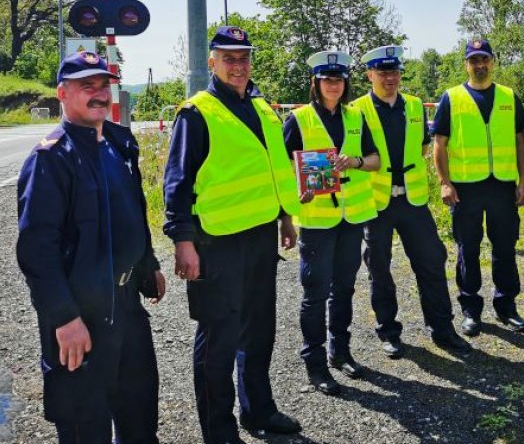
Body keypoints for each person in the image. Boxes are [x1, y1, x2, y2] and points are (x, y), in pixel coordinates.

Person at [16, 50, 166, 443]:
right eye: (87, 86)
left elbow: (132, 209)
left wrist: (148, 263)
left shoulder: (118, 142)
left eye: (104, 85)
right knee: (86, 429)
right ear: (63, 93)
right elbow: (37, 251)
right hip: (81, 319)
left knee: (140, 421)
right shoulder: (51, 159)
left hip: (128, 311)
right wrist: (63, 319)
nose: (99, 94)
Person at [163, 26, 302, 444]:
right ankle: (218, 431)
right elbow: (177, 183)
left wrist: (285, 217)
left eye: (243, 57)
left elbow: (272, 168)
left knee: (259, 332)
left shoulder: (262, 107)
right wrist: (182, 241)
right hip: (216, 242)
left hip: (260, 237)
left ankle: (258, 411)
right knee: (218, 341)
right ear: (212, 62)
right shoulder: (197, 112)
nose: (238, 65)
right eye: (229, 58)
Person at [351, 45, 473, 358]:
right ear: (370, 75)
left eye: (394, 72)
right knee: (379, 269)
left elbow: (420, 148)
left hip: (413, 201)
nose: (390, 78)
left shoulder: (416, 106)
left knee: (431, 262)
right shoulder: (356, 110)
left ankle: (443, 330)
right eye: (382, 72)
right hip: (377, 203)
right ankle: (389, 332)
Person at [283, 50, 380, 395]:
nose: (333, 85)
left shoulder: (356, 117)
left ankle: (341, 351)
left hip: (351, 217)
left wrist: (353, 161)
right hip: (317, 221)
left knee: (345, 288)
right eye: (327, 80)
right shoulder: (298, 119)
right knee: (315, 293)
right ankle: (315, 362)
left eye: (338, 80)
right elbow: (283, 171)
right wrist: (295, 199)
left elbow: (375, 160)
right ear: (316, 83)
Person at [431, 38, 524, 337]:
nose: (480, 64)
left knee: (504, 248)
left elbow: (520, 142)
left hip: (502, 186)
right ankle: (471, 309)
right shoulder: (452, 98)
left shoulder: (509, 97)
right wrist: (445, 183)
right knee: (468, 249)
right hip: (465, 189)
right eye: (474, 60)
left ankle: (506, 306)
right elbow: (440, 145)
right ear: (466, 64)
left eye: (484, 58)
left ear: (492, 61)